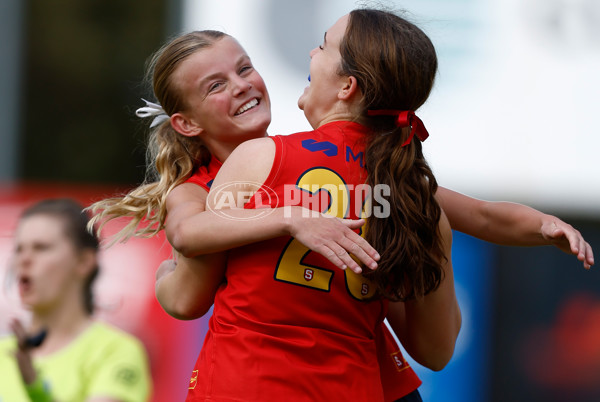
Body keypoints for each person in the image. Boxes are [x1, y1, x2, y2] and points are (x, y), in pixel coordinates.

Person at [88, 22, 594, 402]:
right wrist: (292, 216)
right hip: (358, 380)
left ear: (347, 86)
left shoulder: (276, 160)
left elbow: (184, 289)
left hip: (285, 379)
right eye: (215, 85)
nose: (241, 83)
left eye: (243, 68)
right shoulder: (374, 174)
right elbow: (475, 218)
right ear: (186, 122)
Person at [0, 199, 152, 402]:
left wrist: (35, 388)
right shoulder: (4, 352)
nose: (24, 259)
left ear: (83, 262)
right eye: (19, 248)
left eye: (41, 248)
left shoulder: (116, 351)